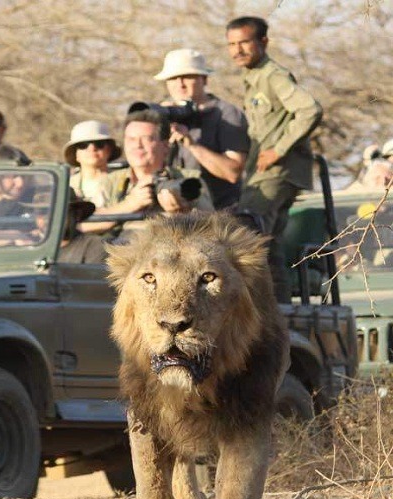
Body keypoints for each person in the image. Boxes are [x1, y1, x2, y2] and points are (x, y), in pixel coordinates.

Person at [227, 15, 323, 303]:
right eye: (231, 44)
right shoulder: (253, 76)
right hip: (266, 172)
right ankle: (279, 310)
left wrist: (279, 149)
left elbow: (310, 109)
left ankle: (259, 310)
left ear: (263, 42)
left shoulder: (272, 75)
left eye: (244, 42)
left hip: (278, 171)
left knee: (245, 230)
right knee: (269, 244)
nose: (237, 50)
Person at [79, 109, 213, 234]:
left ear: (165, 146)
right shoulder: (110, 181)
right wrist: (130, 204)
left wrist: (181, 212)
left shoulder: (190, 180)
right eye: (131, 139)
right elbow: (83, 225)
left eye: (147, 139)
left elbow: (212, 226)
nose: (138, 145)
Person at [153, 48, 250, 210]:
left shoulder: (226, 114)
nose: (180, 84)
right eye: (173, 78)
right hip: (174, 213)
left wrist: (191, 144)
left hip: (221, 213)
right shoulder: (165, 114)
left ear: (204, 79)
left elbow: (232, 173)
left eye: (187, 77)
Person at [62, 120, 122, 208]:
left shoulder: (124, 181)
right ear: (76, 154)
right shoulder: (65, 186)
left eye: (99, 144)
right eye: (83, 145)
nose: (92, 148)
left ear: (109, 150)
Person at [58, 193, 108, 264]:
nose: (49, 219)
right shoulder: (37, 246)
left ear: (77, 214)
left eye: (59, 212)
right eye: (42, 212)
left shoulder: (93, 245)